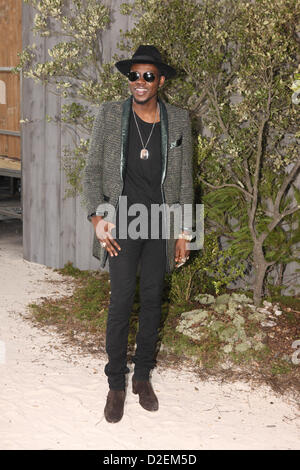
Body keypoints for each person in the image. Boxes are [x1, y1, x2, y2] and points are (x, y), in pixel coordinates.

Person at [82, 45, 194, 423]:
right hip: (122, 219)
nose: (140, 82)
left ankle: (142, 375)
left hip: (160, 223)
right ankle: (115, 383)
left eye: (148, 76)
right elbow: (92, 170)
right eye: (135, 75)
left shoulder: (179, 121)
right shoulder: (111, 115)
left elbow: (184, 182)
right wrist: (96, 218)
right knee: (121, 300)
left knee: (151, 299)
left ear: (160, 80)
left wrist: (185, 231)